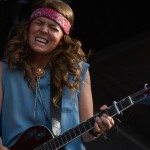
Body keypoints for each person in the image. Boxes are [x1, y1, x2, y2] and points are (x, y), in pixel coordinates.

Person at [0, 0, 114, 149]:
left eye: (53, 27)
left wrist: (98, 127)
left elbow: (86, 134)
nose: (44, 30)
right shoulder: (4, 69)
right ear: (28, 28)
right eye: (39, 22)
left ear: (62, 39)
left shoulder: (78, 72)